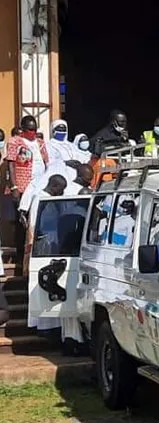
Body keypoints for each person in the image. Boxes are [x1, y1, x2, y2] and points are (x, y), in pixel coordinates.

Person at [25, 174, 68, 336]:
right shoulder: (40, 200)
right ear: (54, 186)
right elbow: (34, 226)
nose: (61, 193)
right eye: (61, 190)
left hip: (53, 242)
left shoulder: (52, 200)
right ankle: (42, 325)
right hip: (43, 244)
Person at [4, 115, 49, 202]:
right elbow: (11, 164)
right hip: (23, 185)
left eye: (35, 129)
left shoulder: (40, 142)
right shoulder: (15, 142)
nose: (33, 132)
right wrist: (14, 187)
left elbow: (46, 162)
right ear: (23, 129)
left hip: (40, 183)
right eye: (30, 129)